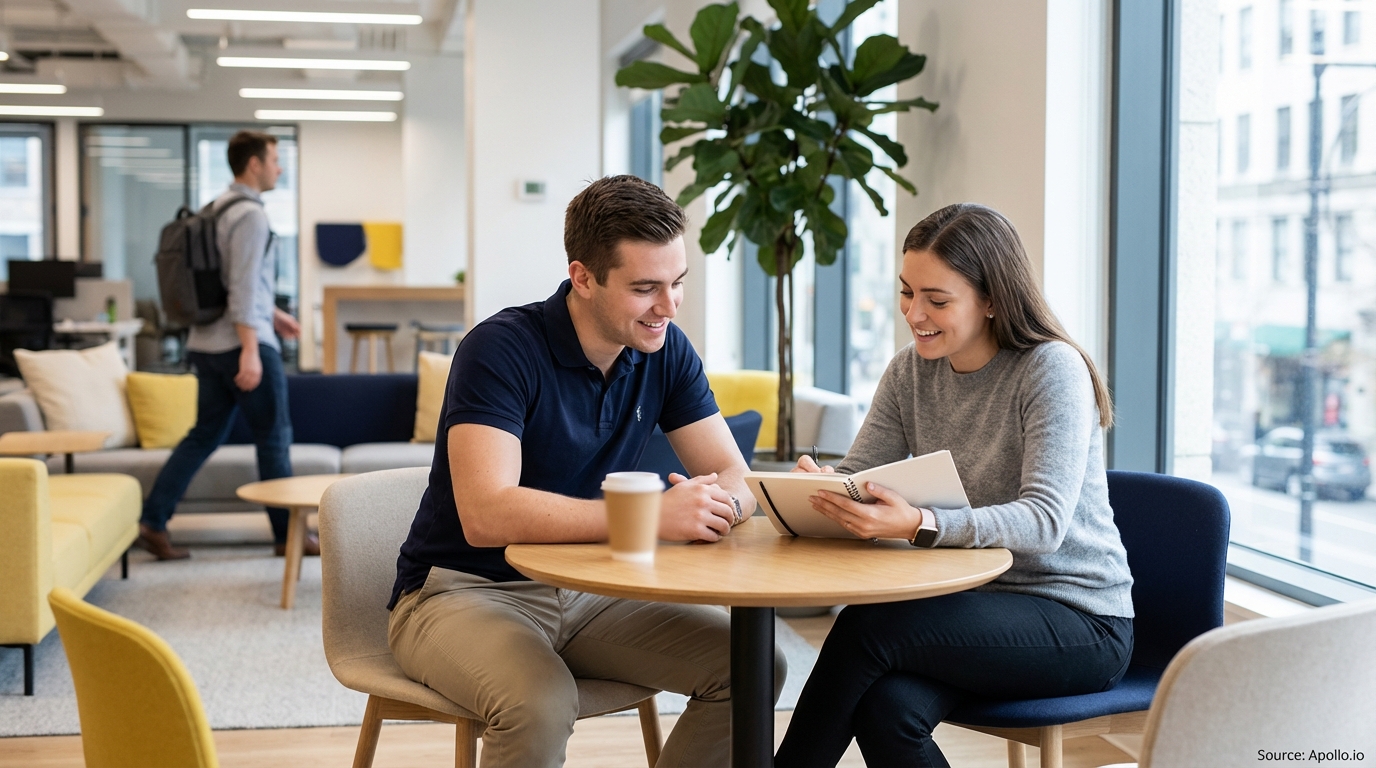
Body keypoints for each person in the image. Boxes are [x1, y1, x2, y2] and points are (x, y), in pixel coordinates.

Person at [387, 175, 785, 768]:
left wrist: (719, 504)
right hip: (463, 592)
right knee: (540, 701)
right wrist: (650, 516)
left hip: (593, 589)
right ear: (583, 277)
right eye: (645, 288)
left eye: (677, 284)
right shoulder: (500, 349)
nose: (669, 307)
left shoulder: (664, 348)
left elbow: (732, 471)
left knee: (752, 667)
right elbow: (485, 513)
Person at [773, 203, 1135, 768]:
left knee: (867, 628)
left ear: (992, 299)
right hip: (973, 607)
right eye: (906, 292)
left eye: (937, 300)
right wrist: (826, 487)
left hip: (1078, 617)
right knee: (887, 708)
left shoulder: (1051, 368)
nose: (914, 314)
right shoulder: (910, 370)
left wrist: (920, 524)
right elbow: (861, 472)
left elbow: (1043, 522)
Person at [136, 131, 302, 561]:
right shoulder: (250, 215)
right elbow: (243, 287)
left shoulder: (215, 208)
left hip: (205, 343)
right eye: (274, 160)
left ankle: (153, 520)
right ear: (253, 164)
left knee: (203, 435)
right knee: (274, 438)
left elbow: (228, 284)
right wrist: (250, 348)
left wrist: (275, 315)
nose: (279, 168)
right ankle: (288, 537)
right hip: (240, 344)